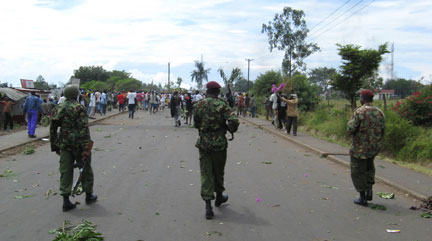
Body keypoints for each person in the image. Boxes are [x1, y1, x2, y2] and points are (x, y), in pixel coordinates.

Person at [193, 81, 239, 219]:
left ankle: (208, 205)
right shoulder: (222, 105)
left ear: (207, 91)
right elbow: (234, 121)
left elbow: (196, 124)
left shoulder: (198, 105)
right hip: (219, 143)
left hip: (204, 143)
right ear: (218, 92)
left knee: (206, 172)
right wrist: (230, 129)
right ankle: (219, 196)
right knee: (218, 171)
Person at [50, 85, 97, 212]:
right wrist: (86, 149)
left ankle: (66, 200)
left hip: (64, 144)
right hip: (78, 144)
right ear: (77, 94)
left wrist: (55, 146)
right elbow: (83, 129)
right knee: (85, 169)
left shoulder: (58, 108)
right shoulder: (79, 107)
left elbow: (53, 129)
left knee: (65, 171)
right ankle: (89, 195)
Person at [347, 90, 385, 206]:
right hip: (373, 148)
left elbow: (351, 129)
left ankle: (362, 197)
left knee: (357, 171)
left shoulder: (360, 111)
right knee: (369, 168)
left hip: (360, 148)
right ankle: (369, 188)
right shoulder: (380, 112)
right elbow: (383, 130)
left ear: (363, 98)